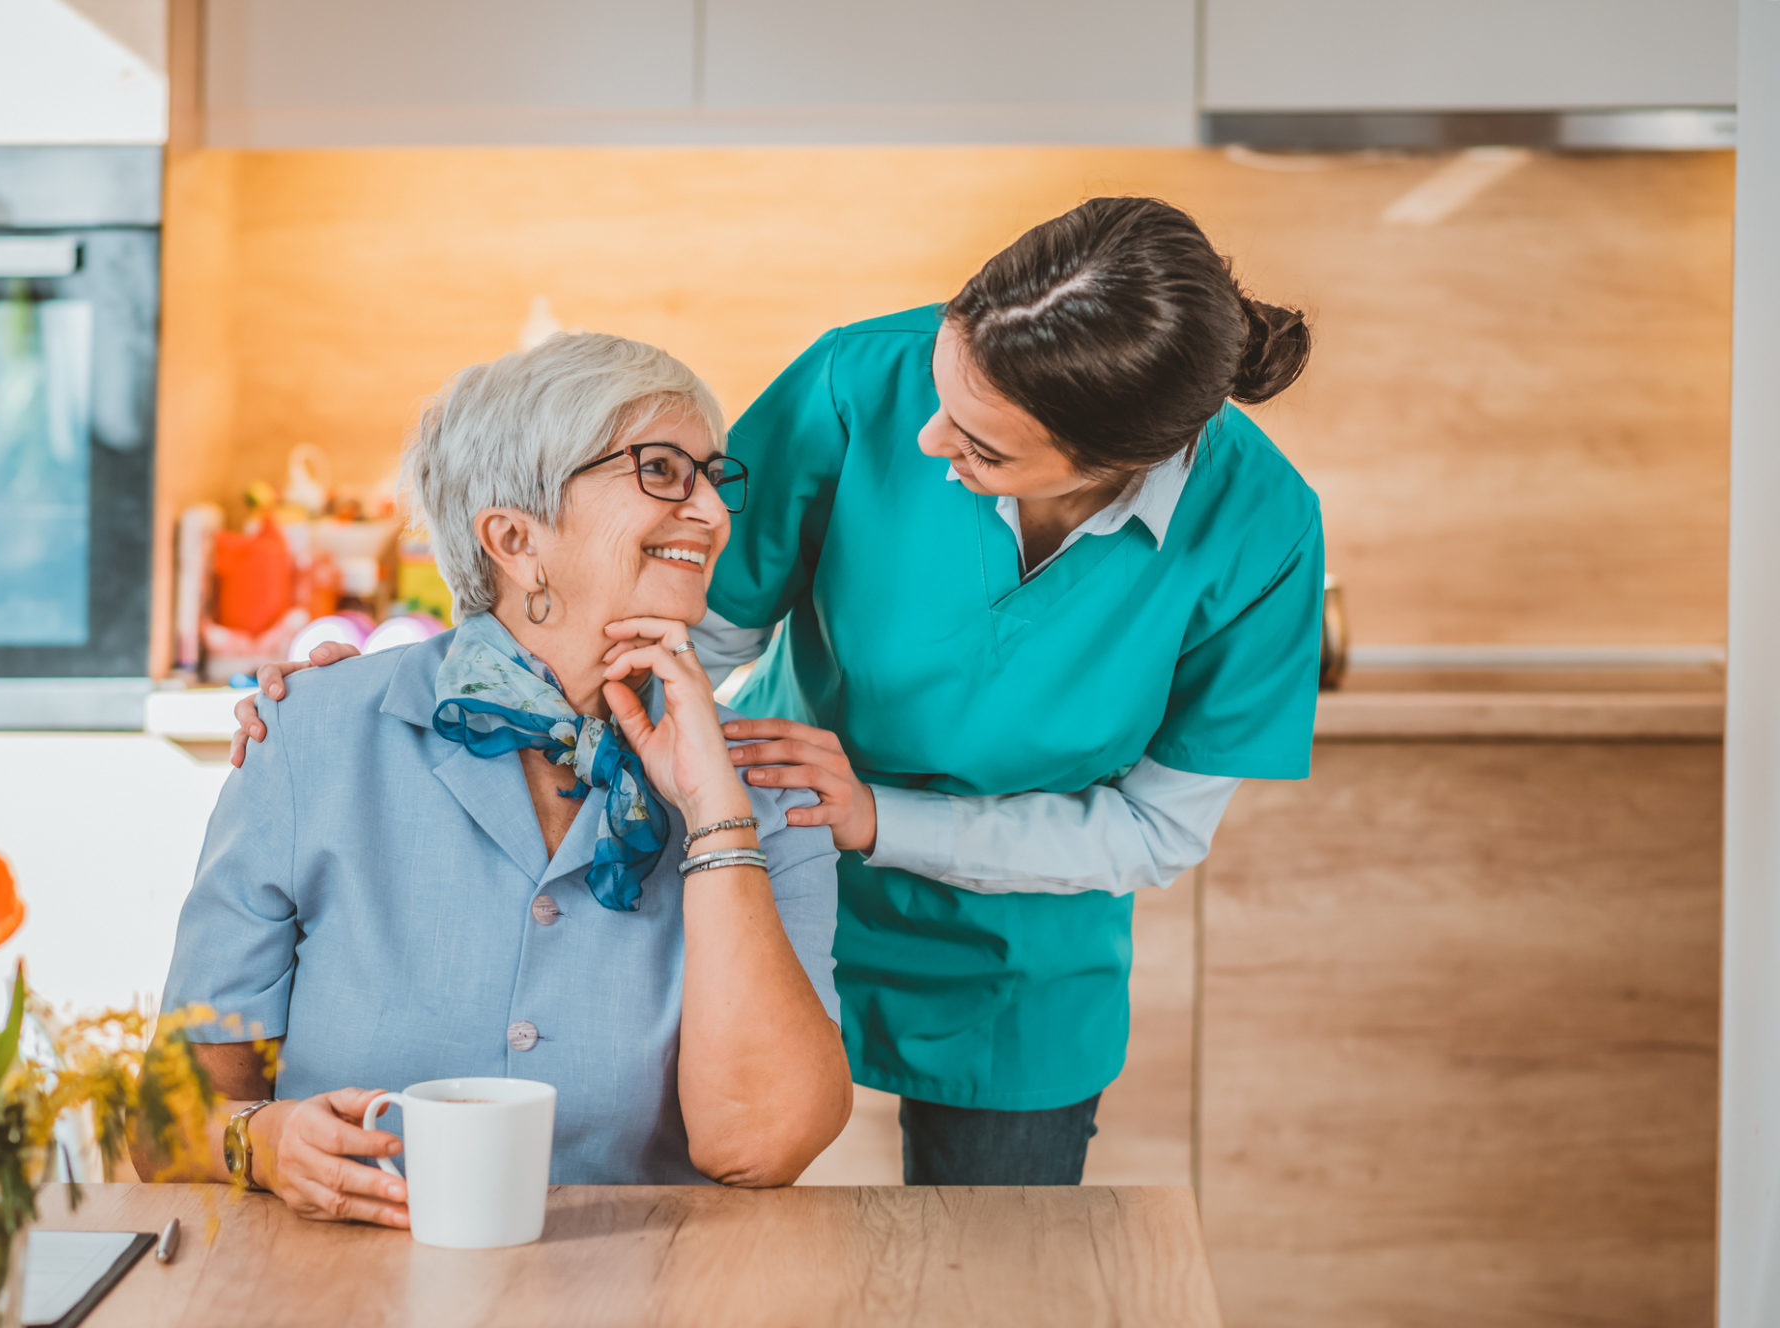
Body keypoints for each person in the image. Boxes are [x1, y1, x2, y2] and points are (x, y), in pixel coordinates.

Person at [238, 196, 1322, 1187]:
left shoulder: (1258, 531)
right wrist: (396, 688)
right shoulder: (864, 383)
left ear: (1113, 461)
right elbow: (633, 609)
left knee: (987, 1299)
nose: (927, 439)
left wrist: (876, 816)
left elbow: (1153, 828)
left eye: (978, 443)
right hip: (744, 879)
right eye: (942, 385)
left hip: (1015, 959)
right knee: (719, 1241)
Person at [142, 333, 852, 1223]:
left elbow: (763, 1145)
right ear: (516, 538)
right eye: (664, 470)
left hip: (655, 1304)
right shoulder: (317, 734)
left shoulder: (765, 782)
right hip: (351, 1301)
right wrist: (265, 1141)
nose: (712, 513)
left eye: (713, 476)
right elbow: (166, 1122)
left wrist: (715, 820)